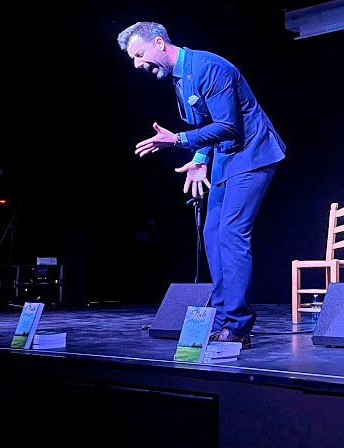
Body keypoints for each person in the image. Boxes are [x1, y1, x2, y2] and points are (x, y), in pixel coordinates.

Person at [118, 22, 286, 345]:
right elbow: (208, 124)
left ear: (159, 43)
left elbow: (229, 126)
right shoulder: (181, 79)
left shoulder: (208, 67)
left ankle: (237, 326)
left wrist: (178, 140)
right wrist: (198, 159)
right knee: (211, 233)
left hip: (252, 154)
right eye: (133, 60)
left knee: (231, 233)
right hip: (227, 158)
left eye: (139, 55)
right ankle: (223, 319)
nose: (138, 65)